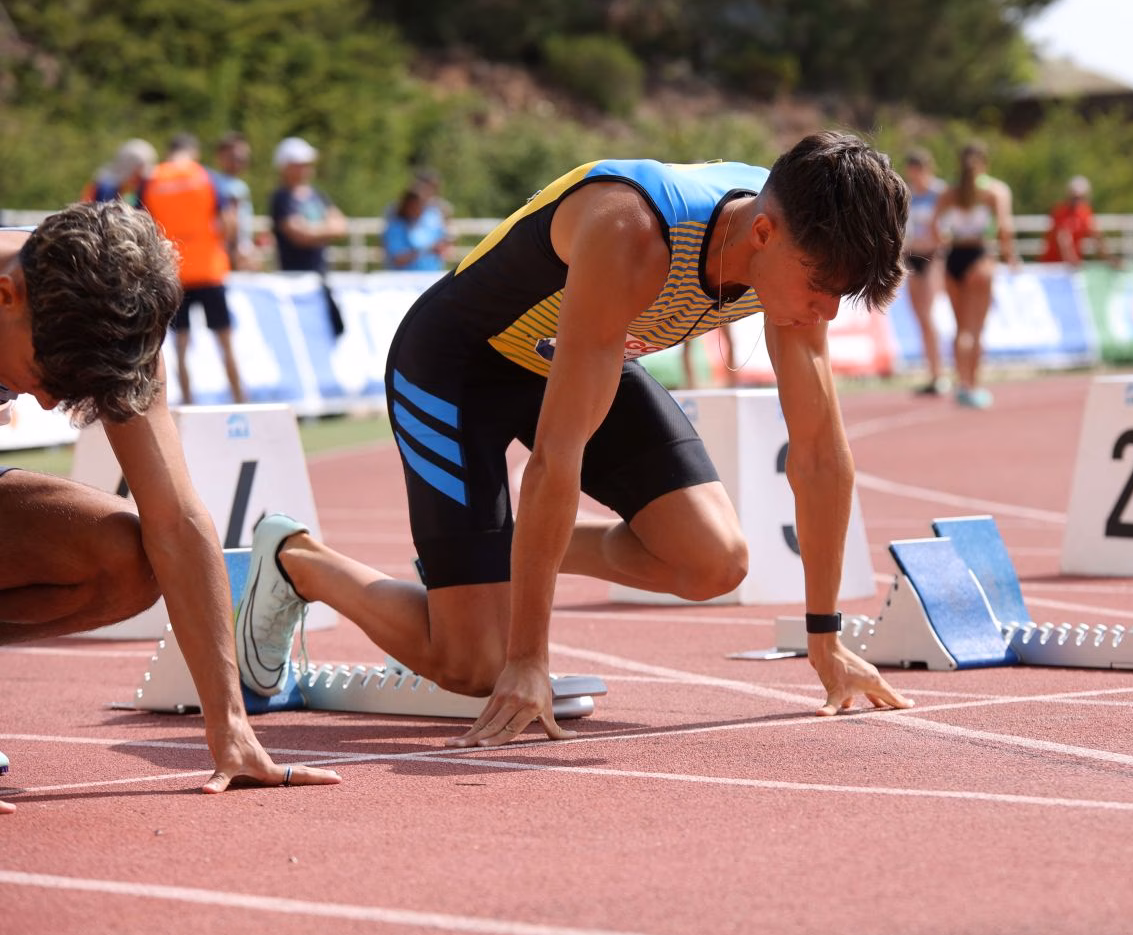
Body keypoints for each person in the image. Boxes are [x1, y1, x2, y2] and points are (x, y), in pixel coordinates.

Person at [234, 130, 915, 747]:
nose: (826, 312)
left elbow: (822, 457)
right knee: (473, 666)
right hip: (456, 366)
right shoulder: (633, 233)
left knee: (715, 561)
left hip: (582, 350)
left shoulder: (795, 240)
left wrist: (825, 637)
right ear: (762, 234)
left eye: (843, 295)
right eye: (821, 289)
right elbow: (557, 458)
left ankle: (488, 564)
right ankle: (298, 560)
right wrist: (528, 658)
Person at [0, 203, 340, 814]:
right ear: (6, 296)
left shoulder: (114, 313)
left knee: (126, 561)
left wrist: (229, 723)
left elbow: (176, 522)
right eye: (48, 374)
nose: (50, 404)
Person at [141, 132, 247, 405]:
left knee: (181, 347)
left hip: (174, 272)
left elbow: (142, 224)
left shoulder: (153, 179)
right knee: (226, 344)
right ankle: (240, 401)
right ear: (194, 152)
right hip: (210, 269)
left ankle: (189, 404)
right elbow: (229, 223)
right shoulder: (207, 177)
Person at [933, 142, 1015, 409]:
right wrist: (1009, 256)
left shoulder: (949, 192)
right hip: (979, 256)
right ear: (985, 163)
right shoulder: (994, 190)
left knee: (961, 329)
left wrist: (946, 241)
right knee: (976, 330)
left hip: (954, 258)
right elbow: (1004, 227)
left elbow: (935, 228)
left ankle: (962, 383)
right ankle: (975, 385)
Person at [269, 136, 348, 336]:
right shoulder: (282, 198)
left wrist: (313, 230)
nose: (306, 168)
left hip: (320, 275)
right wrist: (324, 229)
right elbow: (298, 235)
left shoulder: (318, 195)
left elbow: (341, 225)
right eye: (300, 164)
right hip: (294, 277)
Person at [901, 148, 948, 396]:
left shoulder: (938, 193)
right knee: (918, 317)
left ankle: (939, 373)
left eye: (918, 171)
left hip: (931, 257)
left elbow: (945, 229)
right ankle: (932, 372)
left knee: (929, 315)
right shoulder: (907, 194)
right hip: (910, 256)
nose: (915, 176)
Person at [1040, 175, 1113, 267]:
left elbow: (1096, 236)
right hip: (1053, 266)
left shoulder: (1085, 212)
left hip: (1071, 266)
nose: (1077, 200)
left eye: (1080, 197)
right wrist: (1072, 261)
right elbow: (1063, 240)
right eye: (1074, 197)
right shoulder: (1060, 212)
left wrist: (1109, 259)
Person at [213, 131, 260, 271]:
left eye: (243, 157)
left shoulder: (239, 185)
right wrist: (236, 254)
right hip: (234, 255)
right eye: (234, 157)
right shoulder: (220, 185)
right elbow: (230, 225)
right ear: (220, 156)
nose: (239, 161)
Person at [382, 186, 449, 272]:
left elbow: (443, 248)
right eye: (415, 206)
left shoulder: (430, 223)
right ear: (406, 206)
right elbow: (398, 259)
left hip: (432, 275)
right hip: (405, 278)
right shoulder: (396, 227)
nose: (418, 209)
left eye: (421, 206)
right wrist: (426, 251)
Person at [81, 138, 157, 207]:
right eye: (138, 174)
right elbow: (84, 209)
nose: (141, 179)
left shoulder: (145, 189)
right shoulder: (101, 188)